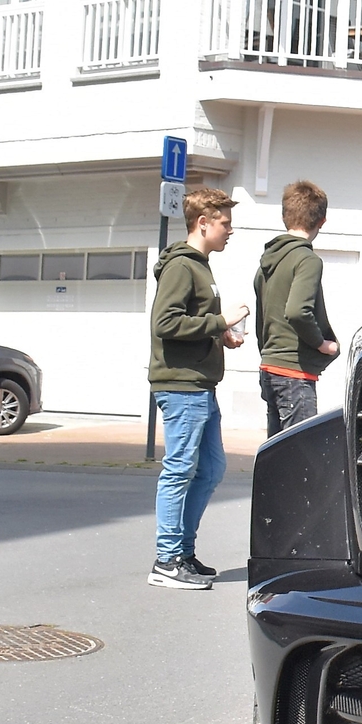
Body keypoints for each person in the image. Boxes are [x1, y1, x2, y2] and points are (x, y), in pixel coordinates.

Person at [148, 186, 247, 588]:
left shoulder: (200, 266)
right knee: (180, 469)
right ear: (203, 223)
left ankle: (183, 553)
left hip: (200, 383)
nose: (230, 231)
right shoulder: (182, 267)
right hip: (182, 385)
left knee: (211, 469)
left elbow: (186, 324)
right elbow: (165, 323)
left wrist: (217, 337)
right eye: (225, 223)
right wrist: (220, 323)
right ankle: (167, 561)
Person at [253, 180, 339, 435]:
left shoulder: (266, 262)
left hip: (270, 366)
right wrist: (321, 344)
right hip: (295, 370)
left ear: (284, 216)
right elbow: (297, 311)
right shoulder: (307, 260)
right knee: (301, 456)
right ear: (322, 220)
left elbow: (264, 319)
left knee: (278, 454)